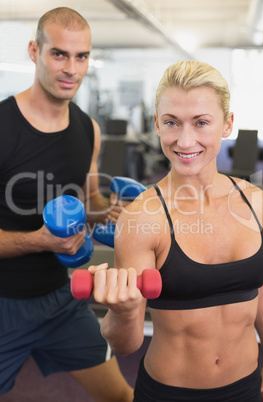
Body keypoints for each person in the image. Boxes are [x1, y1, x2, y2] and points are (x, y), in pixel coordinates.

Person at [89, 60, 263, 401]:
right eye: (172, 122)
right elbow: (125, 345)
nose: (186, 141)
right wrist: (123, 311)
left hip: (245, 388)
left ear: (227, 124)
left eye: (201, 123)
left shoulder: (258, 205)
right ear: (157, 124)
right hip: (170, 393)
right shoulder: (143, 217)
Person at [0, 7, 133, 402]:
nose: (71, 68)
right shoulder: (3, 127)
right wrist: (40, 241)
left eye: (82, 56)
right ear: (34, 51)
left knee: (122, 397)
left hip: (61, 301)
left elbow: (88, 199)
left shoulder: (86, 128)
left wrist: (115, 210)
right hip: (3, 304)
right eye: (59, 54)